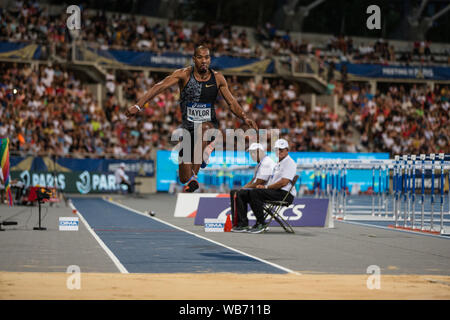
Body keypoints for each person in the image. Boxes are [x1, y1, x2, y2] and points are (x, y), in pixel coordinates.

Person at [125, 45, 258, 193]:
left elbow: (232, 102)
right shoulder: (183, 75)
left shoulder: (218, 78)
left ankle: (196, 175)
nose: (204, 61)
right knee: (183, 177)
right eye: (200, 57)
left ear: (210, 59)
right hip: (188, 128)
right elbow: (159, 87)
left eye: (207, 57)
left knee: (204, 130)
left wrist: (245, 117)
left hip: (208, 125)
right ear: (194, 59)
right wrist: (138, 106)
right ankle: (199, 162)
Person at [234, 138, 297, 234]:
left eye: (281, 149)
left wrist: (266, 187)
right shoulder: (278, 164)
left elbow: (283, 182)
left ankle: (261, 223)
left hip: (285, 194)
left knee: (255, 192)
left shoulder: (289, 162)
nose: (279, 152)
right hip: (277, 191)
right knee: (242, 194)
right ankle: (243, 223)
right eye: (277, 149)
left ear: (287, 150)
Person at [230, 143, 275, 232]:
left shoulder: (267, 162)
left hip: (265, 191)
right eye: (250, 153)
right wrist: (244, 187)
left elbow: (259, 182)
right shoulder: (260, 163)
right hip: (259, 189)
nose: (251, 155)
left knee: (239, 194)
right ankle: (240, 223)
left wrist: (243, 189)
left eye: (253, 153)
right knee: (235, 192)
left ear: (260, 152)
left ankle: (243, 223)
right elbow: (254, 180)